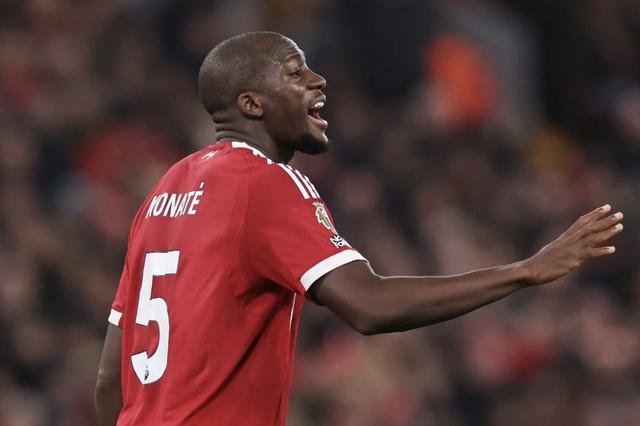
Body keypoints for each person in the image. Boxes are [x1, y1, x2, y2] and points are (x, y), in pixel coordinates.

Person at [95, 31, 624, 426]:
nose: (317, 80)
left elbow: (108, 382)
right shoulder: (265, 181)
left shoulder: (162, 194)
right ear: (251, 103)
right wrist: (526, 271)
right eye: (295, 72)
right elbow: (369, 305)